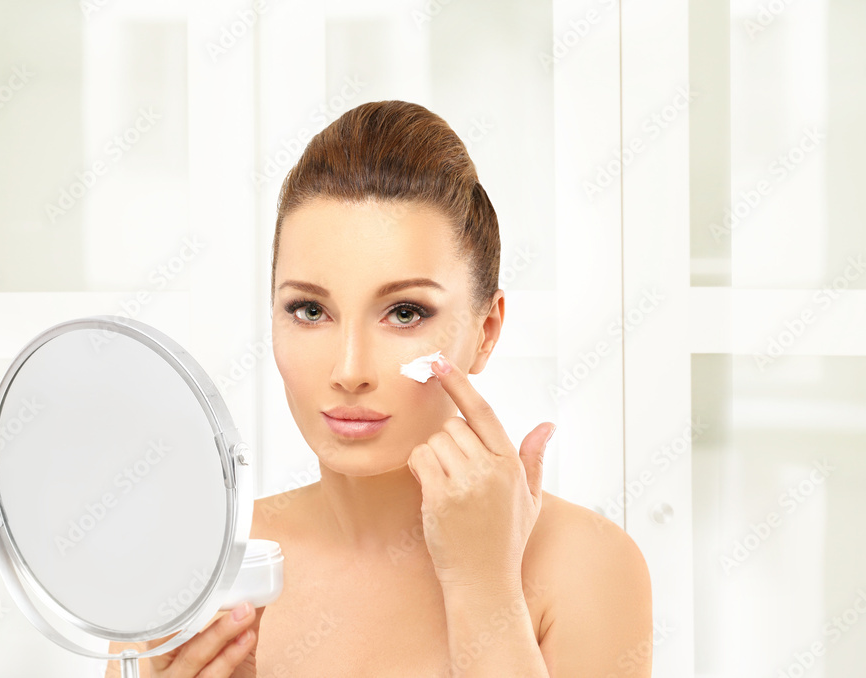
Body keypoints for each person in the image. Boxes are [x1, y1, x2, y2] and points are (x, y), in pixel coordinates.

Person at [108, 100, 652, 677]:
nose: (349, 370)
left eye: (405, 313)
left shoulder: (585, 565)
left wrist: (484, 587)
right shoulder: (191, 575)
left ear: (486, 331)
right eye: (310, 310)